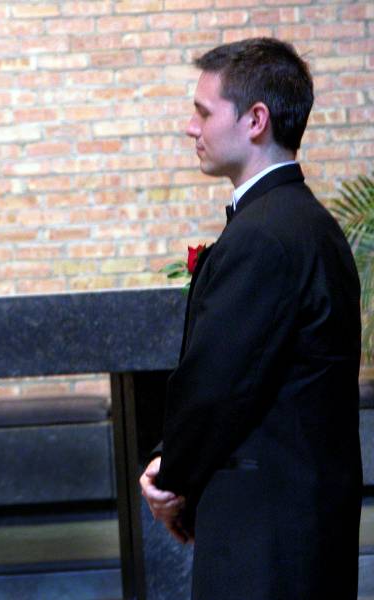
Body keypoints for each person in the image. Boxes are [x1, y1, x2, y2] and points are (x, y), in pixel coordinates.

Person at [139, 38, 362, 599]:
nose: (191, 128)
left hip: (267, 537)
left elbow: (217, 384)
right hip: (301, 522)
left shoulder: (265, 235)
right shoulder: (308, 223)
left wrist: (170, 476)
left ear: (256, 120)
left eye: (203, 112)